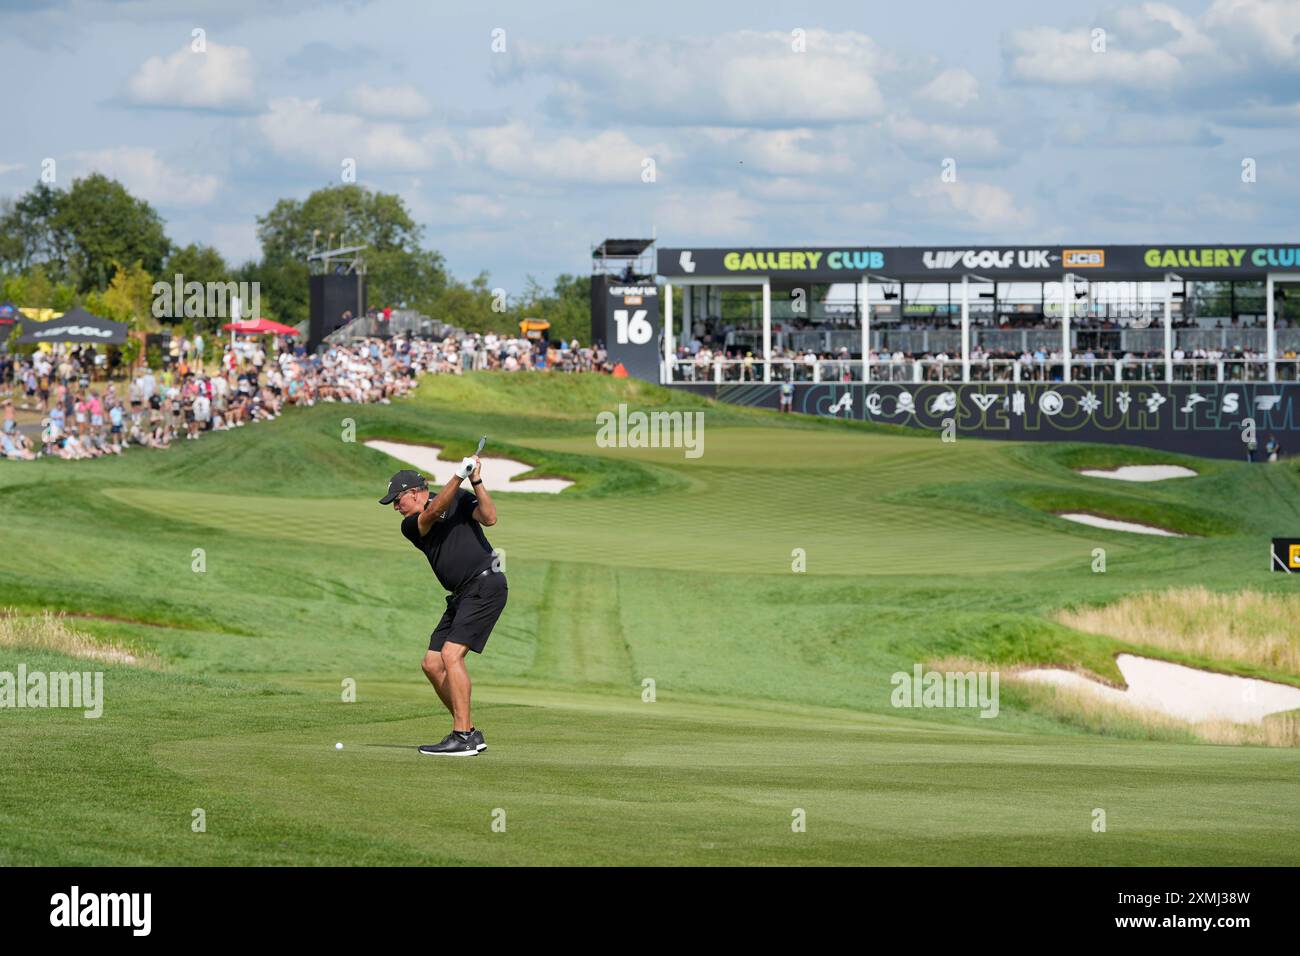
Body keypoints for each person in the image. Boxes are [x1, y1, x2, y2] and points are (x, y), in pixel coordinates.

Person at [380, 457, 506, 757]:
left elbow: (489, 518)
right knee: (432, 663)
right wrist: (458, 475)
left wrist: (474, 479)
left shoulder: (460, 496)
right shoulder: (410, 525)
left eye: (397, 501)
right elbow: (434, 511)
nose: (396, 509)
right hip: (462, 593)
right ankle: (469, 732)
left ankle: (462, 736)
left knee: (451, 655)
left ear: (413, 492)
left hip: (485, 584)